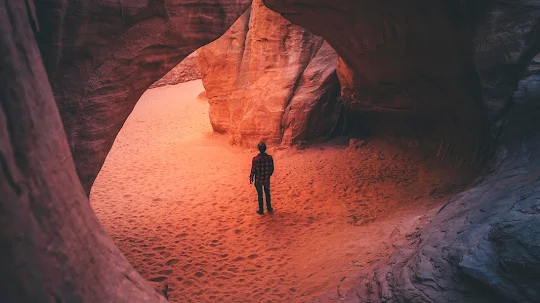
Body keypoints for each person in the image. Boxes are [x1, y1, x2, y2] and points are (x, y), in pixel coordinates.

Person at [249, 142, 274, 215]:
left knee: (260, 195)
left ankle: (261, 210)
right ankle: (269, 208)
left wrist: (251, 178)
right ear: (265, 149)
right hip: (266, 179)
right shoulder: (269, 158)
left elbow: (253, 170)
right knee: (267, 193)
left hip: (258, 180)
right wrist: (268, 175)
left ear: (259, 149)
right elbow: (272, 168)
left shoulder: (256, 159)